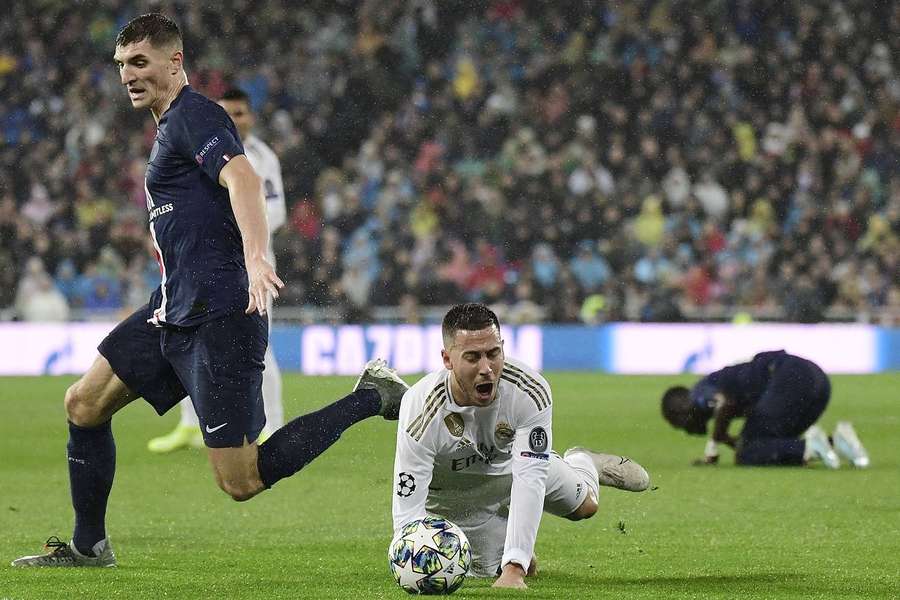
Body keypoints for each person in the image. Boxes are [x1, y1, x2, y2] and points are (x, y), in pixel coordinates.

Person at [12, 13, 409, 568]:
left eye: (140, 62)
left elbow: (242, 178)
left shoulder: (194, 115)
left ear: (175, 62)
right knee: (83, 403)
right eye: (122, 65)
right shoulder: (168, 126)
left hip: (221, 314)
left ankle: (372, 396)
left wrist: (255, 257)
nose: (128, 74)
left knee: (241, 481)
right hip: (173, 306)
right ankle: (88, 546)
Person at [382, 303, 650, 590]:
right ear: (447, 359)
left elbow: (529, 477)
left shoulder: (527, 390)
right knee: (483, 570)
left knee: (585, 508)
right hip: (458, 495)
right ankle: (500, 537)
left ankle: (584, 462)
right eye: (472, 357)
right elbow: (408, 504)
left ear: (503, 348)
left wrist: (515, 567)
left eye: (493, 354)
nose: (486, 369)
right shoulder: (422, 408)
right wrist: (409, 559)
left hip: (515, 465)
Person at [146, 87, 287, 452]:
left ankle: (273, 426)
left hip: (250, 265)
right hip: (202, 263)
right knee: (186, 342)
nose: (235, 120)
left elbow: (275, 209)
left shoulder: (260, 157)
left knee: (258, 348)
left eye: (241, 113)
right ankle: (191, 425)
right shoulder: (200, 142)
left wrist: (236, 223)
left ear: (251, 116)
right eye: (229, 114)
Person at [660, 350, 870, 468]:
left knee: (747, 454)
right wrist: (732, 440)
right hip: (818, 381)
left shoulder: (699, 391)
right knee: (765, 445)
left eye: (678, 424)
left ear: (681, 409)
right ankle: (839, 442)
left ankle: (812, 447)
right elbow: (756, 440)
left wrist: (715, 442)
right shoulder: (714, 383)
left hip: (788, 377)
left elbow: (724, 403)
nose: (685, 430)